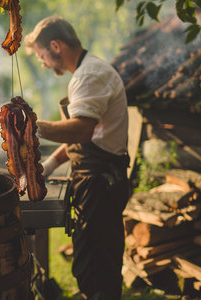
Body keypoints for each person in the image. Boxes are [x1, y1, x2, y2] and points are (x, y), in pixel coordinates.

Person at [24, 16, 130, 300]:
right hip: (98, 183)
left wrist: (32, 127)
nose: (43, 63)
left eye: (42, 56)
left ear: (56, 46)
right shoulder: (87, 72)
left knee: (96, 267)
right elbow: (89, 136)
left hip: (100, 186)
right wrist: (50, 164)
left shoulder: (88, 76)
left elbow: (82, 130)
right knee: (96, 263)